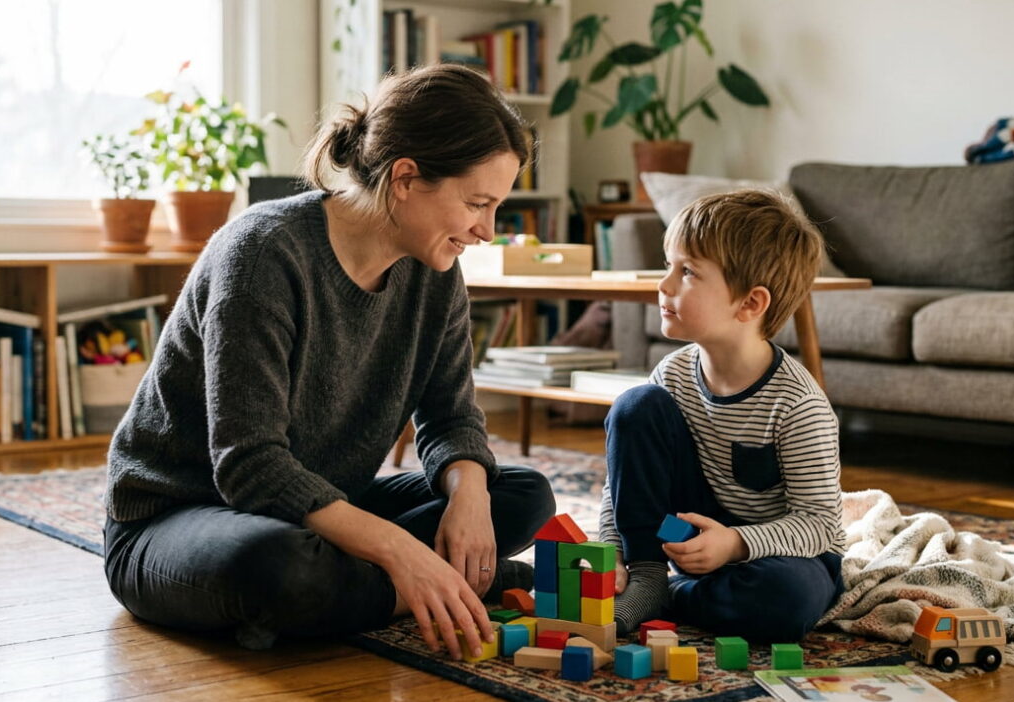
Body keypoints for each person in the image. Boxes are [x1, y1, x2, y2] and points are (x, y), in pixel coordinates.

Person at [102, 64, 556, 661]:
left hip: (322, 505)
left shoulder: (435, 272)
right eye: (476, 203)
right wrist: (400, 551)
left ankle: (386, 590)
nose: (486, 231)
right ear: (405, 178)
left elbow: (450, 420)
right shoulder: (263, 253)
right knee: (282, 567)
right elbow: (250, 466)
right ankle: (447, 584)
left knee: (520, 494)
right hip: (179, 518)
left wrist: (469, 499)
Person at [598, 189, 845, 642]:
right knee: (635, 405)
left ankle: (673, 596)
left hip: (778, 551)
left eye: (688, 272)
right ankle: (649, 577)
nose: (665, 284)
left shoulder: (798, 404)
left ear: (750, 304)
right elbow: (623, 482)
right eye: (668, 265)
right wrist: (612, 550)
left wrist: (735, 544)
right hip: (691, 533)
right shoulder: (670, 375)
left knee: (788, 598)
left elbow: (820, 525)